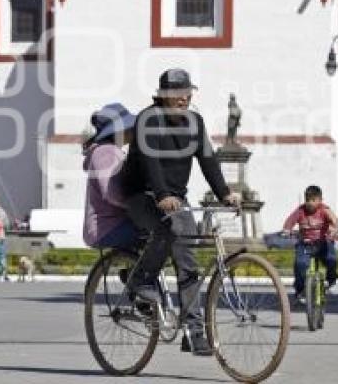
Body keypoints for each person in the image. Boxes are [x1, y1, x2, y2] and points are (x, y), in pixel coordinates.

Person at [121, 68, 239, 356]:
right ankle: (140, 279)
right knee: (168, 231)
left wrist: (224, 193)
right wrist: (162, 194)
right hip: (142, 195)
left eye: (187, 93)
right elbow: (150, 163)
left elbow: (208, 160)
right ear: (163, 96)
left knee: (188, 259)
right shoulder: (147, 121)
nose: (183, 99)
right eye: (177, 94)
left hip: (176, 199)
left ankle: (194, 331)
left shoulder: (194, 123)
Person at [83, 103, 139, 250]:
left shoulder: (108, 150)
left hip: (107, 226)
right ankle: (142, 273)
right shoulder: (107, 152)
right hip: (107, 227)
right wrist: (137, 204)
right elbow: (111, 192)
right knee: (160, 234)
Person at [282, 185, 338, 304]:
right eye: (307, 200)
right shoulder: (300, 211)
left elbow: (334, 219)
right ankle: (301, 290)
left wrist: (335, 228)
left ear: (320, 200)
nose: (310, 203)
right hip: (305, 244)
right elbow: (290, 221)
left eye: (313, 200)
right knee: (300, 264)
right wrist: (287, 229)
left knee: (331, 259)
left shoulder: (324, 210)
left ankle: (332, 282)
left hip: (323, 243)